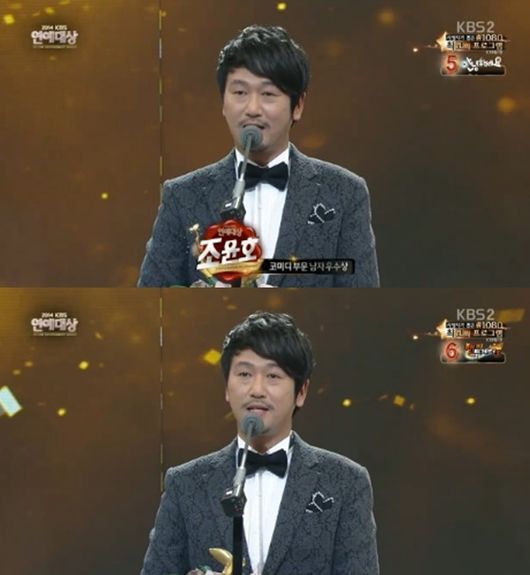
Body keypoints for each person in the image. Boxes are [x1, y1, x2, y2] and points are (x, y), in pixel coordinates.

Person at [138, 25, 379, 288]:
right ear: (223, 103)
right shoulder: (182, 195)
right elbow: (152, 296)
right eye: (240, 93)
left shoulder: (345, 192)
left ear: (297, 106)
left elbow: (362, 296)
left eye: (268, 94)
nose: (252, 108)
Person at [141, 311, 379, 575]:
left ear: (301, 392)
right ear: (226, 388)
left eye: (273, 376)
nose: (256, 390)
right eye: (244, 374)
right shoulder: (185, 484)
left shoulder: (345, 481)